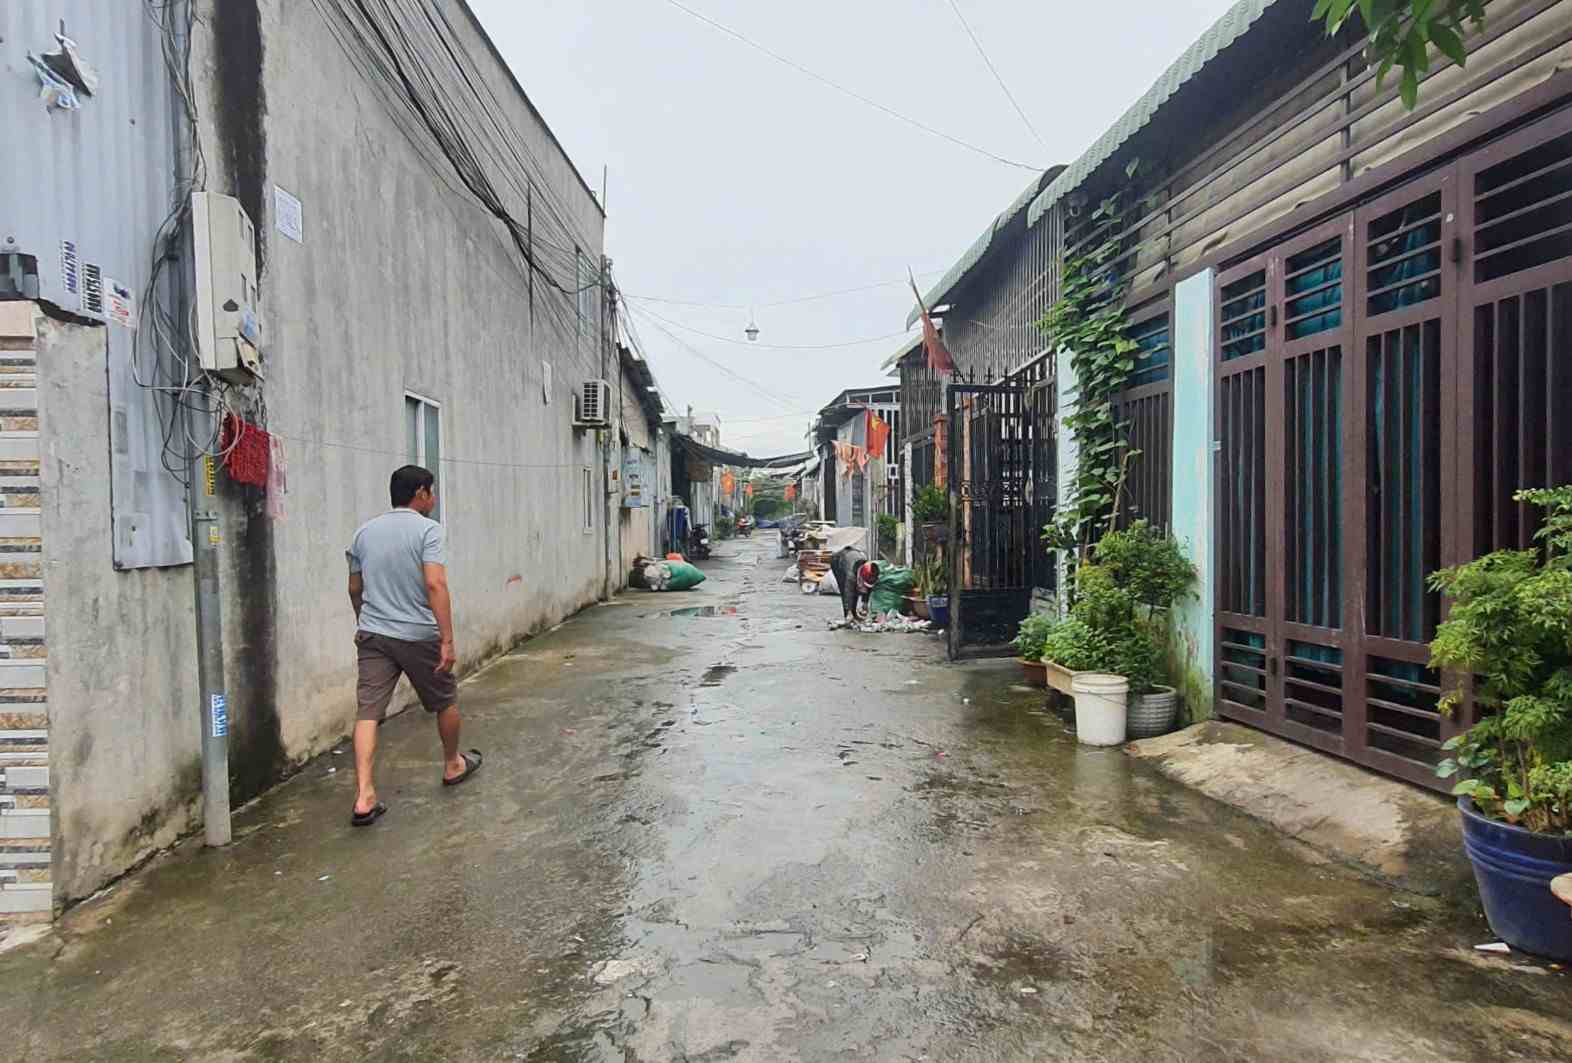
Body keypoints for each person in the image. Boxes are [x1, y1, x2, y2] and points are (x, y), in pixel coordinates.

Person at [345, 465, 481, 826]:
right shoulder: (428, 531)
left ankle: (364, 795)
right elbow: (435, 584)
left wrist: (364, 622)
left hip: (374, 635)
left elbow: (355, 588)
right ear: (420, 493)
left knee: (367, 712)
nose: (433, 498)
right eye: (431, 491)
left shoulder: (363, 533)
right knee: (445, 701)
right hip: (419, 635)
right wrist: (447, 639)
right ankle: (453, 764)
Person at [830, 544, 878, 623]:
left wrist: (865, 603)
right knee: (846, 589)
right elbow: (848, 592)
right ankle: (848, 614)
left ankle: (854, 614)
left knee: (856, 588)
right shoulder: (851, 574)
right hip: (837, 560)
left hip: (853, 556)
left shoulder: (870, 569)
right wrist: (849, 610)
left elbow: (868, 587)